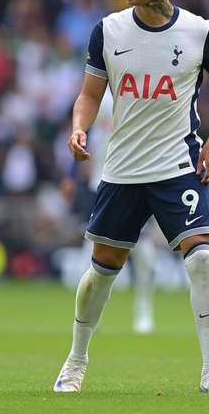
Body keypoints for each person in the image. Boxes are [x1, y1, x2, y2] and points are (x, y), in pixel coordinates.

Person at [54, 0, 209, 394]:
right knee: (102, 269)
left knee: (201, 260)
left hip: (179, 165)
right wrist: (79, 128)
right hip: (122, 170)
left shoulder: (201, 33)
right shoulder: (108, 31)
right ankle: (75, 362)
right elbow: (88, 96)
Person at [62, 89, 158, 335]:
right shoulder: (100, 95)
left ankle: (144, 307)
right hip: (101, 182)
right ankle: (86, 317)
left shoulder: (142, 87)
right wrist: (73, 173)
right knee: (91, 253)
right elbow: (83, 132)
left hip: (137, 180)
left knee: (143, 251)